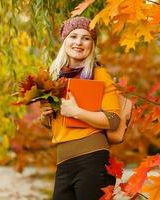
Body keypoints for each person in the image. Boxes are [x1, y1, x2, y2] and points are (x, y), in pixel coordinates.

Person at [40, 16, 121, 200]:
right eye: (73, 36)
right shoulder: (55, 77)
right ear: (65, 40)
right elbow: (53, 124)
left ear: (92, 45)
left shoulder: (98, 74)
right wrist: (45, 116)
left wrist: (77, 112)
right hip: (64, 162)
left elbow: (113, 120)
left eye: (86, 38)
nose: (79, 42)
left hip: (92, 159)